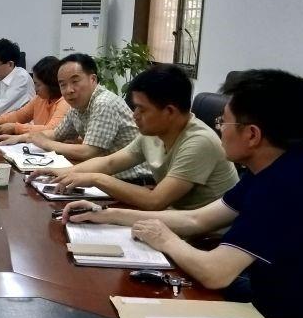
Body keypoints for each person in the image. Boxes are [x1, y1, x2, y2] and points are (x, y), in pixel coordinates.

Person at [62, 70, 303, 318]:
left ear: (252, 135)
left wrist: (164, 239)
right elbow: (197, 219)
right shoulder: (274, 167)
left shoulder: (286, 186)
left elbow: (216, 272)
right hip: (269, 296)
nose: (218, 129)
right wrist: (106, 215)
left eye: (223, 123)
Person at [27, 65, 238, 210]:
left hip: (208, 239)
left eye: (141, 109)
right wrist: (61, 173)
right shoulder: (154, 132)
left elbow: (155, 201)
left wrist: (95, 178)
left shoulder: (199, 142)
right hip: (175, 219)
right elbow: (110, 163)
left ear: (169, 111)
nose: (134, 115)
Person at [0, 53, 151, 182]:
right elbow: (57, 134)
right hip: (104, 176)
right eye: (63, 84)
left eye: (75, 81)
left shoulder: (103, 103)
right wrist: (23, 138)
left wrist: (46, 143)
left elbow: (88, 152)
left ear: (93, 79)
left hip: (134, 179)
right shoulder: (78, 105)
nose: (69, 90)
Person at [0, 56, 69, 134]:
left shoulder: (64, 102)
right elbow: (19, 115)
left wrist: (15, 128)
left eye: (38, 84)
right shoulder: (40, 98)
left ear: (50, 84)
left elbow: (52, 130)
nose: (35, 89)